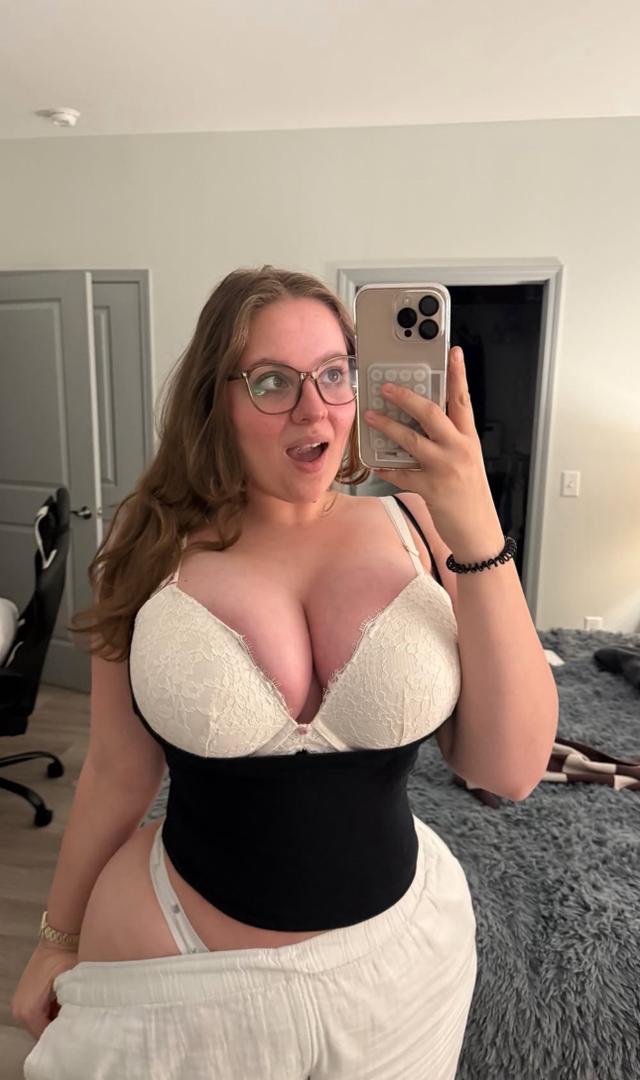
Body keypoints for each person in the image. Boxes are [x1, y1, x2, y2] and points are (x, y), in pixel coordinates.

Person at [14, 265, 481, 1079]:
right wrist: (57, 937)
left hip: (402, 973)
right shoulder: (144, 542)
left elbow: (507, 769)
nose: (314, 408)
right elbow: (118, 768)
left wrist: (476, 521)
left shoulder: (421, 525)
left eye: (334, 373)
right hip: (174, 969)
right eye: (272, 381)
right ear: (215, 401)